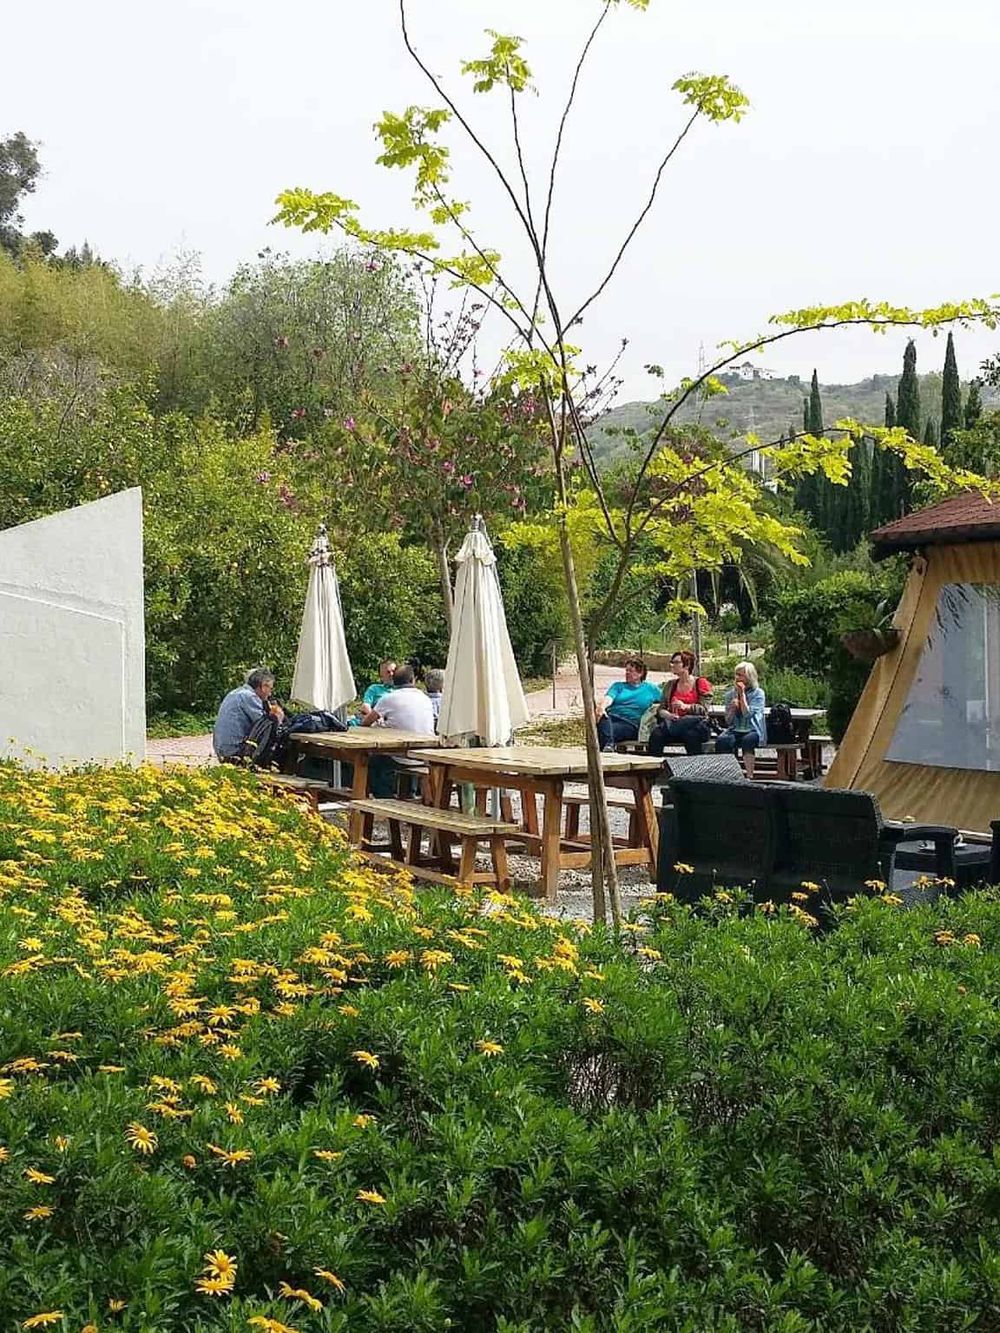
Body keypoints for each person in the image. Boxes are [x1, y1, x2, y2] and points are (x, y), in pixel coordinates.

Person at [362, 663, 436, 796]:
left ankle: (385, 802)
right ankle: (408, 795)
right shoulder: (425, 698)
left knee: (371, 762)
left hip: (401, 754)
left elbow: (366, 722)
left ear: (394, 682)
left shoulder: (389, 698)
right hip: (425, 753)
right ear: (413, 680)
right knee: (395, 758)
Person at [212, 667, 285, 762]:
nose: (270, 694)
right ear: (263, 686)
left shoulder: (236, 692)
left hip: (222, 749)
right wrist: (278, 716)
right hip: (234, 752)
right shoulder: (250, 697)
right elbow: (265, 727)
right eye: (270, 689)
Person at [648, 650, 713, 756]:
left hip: (695, 725)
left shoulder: (700, 683)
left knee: (691, 736)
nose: (672, 665)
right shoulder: (670, 685)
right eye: (672, 662)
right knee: (657, 734)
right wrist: (667, 714)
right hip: (674, 725)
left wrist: (685, 707)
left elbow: (704, 709)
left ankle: (695, 768)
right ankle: (655, 767)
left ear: (687, 666)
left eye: (676, 662)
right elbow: (661, 708)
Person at [595, 658, 661, 752]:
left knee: (607, 730)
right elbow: (608, 699)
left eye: (630, 671)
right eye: (626, 670)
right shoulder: (618, 686)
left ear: (640, 673)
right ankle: (608, 745)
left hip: (630, 723)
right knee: (604, 719)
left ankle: (608, 745)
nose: (627, 673)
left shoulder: (651, 689)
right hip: (611, 717)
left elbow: (665, 700)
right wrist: (601, 707)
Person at [715, 661, 766, 778]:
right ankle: (728, 773)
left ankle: (749, 775)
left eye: (741, 675)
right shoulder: (730, 695)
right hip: (735, 728)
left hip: (752, 729)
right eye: (736, 675)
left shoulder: (758, 694)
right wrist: (732, 709)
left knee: (748, 741)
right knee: (723, 740)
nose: (738, 678)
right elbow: (728, 721)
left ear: (749, 677)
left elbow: (748, 714)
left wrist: (742, 695)